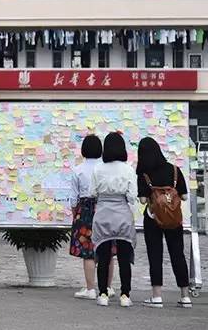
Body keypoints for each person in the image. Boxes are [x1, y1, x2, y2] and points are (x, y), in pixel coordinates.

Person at [136, 137, 192, 308]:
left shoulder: (144, 174)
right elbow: (183, 196)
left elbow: (144, 200)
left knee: (155, 255)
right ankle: (185, 296)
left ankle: (157, 296)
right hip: (174, 219)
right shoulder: (174, 170)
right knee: (178, 254)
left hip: (153, 219)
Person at [90, 132, 137, 308]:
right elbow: (132, 196)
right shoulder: (128, 169)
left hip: (103, 212)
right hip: (122, 212)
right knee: (125, 256)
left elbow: (92, 192)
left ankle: (102, 293)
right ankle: (125, 294)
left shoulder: (98, 169)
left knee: (103, 255)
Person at [69, 135, 115, 300]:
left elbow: (73, 198)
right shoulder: (106, 168)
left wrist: (76, 213)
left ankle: (90, 289)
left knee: (88, 251)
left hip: (86, 210)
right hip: (106, 207)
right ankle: (108, 287)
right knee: (108, 250)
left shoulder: (78, 170)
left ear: (83, 150)